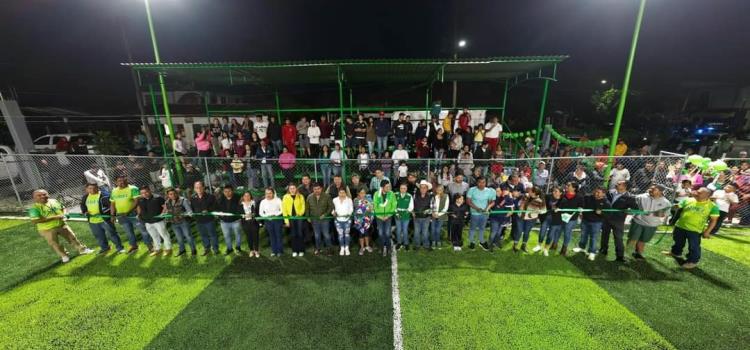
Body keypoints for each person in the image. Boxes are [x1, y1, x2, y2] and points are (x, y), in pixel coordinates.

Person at [29, 189, 94, 262]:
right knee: (55, 244)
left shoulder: (54, 201)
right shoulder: (34, 208)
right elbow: (35, 221)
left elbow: (63, 208)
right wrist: (55, 217)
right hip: (47, 229)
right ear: (34, 198)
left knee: (72, 238)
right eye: (39, 195)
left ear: (48, 194)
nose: (43, 196)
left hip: (61, 225)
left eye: (44, 194)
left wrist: (65, 213)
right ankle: (64, 256)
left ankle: (82, 250)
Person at [662, 187, 720, 269]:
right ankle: (675, 253)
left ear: (707, 195)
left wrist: (707, 231)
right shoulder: (688, 200)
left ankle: (692, 261)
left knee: (693, 246)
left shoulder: (713, 206)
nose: (696, 192)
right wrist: (672, 206)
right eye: (697, 191)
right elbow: (678, 206)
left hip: (695, 230)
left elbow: (713, 220)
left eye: (699, 192)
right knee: (678, 241)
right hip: (680, 226)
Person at [628, 184, 671, 260]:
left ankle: (638, 254)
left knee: (643, 240)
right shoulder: (641, 197)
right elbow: (630, 202)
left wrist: (651, 213)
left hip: (651, 225)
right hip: (638, 221)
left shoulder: (666, 203)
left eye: (654, 189)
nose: (650, 190)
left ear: (660, 192)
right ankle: (626, 253)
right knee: (632, 238)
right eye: (650, 188)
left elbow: (665, 214)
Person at [80, 183, 124, 254]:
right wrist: (85, 212)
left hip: (105, 219)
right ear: (87, 189)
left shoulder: (104, 195)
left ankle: (120, 248)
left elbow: (111, 206)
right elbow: (83, 206)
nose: (92, 190)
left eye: (94, 188)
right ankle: (105, 248)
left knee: (112, 234)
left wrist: (111, 215)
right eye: (90, 188)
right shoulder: (85, 197)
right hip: (92, 221)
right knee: (99, 236)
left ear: (97, 188)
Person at [109, 176, 150, 253]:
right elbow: (112, 204)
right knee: (129, 232)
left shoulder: (133, 188)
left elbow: (136, 201)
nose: (122, 182)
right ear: (116, 182)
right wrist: (112, 215)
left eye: (123, 180)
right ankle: (134, 246)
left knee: (143, 230)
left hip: (133, 214)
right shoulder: (114, 191)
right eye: (119, 181)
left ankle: (150, 246)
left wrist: (129, 211)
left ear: (126, 180)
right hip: (121, 215)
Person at [600, 180, 638, 262]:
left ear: (625, 187)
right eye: (617, 183)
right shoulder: (610, 192)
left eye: (619, 184)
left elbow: (635, 209)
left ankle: (620, 256)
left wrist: (630, 211)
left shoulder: (630, 197)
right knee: (604, 235)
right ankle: (603, 250)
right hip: (606, 218)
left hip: (618, 221)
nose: (616, 184)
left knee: (618, 238)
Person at [573, 187, 610, 261]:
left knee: (593, 237)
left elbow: (608, 214)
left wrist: (601, 213)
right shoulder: (588, 197)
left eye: (598, 192)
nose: (596, 193)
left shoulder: (606, 202)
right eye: (595, 191)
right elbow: (582, 205)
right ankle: (582, 248)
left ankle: (592, 252)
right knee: (583, 235)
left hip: (596, 222)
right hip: (585, 220)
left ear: (603, 194)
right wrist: (581, 211)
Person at [136, 185, 172, 257]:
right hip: (147, 222)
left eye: (146, 192)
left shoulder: (158, 198)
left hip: (158, 221)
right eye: (142, 193)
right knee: (154, 236)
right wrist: (138, 214)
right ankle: (158, 249)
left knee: (164, 234)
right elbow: (139, 207)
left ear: (149, 190)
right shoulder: (140, 199)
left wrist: (162, 213)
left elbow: (165, 207)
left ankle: (168, 248)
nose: (144, 194)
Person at [164, 188, 196, 257]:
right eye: (170, 194)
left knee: (188, 236)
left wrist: (189, 213)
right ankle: (182, 250)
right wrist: (165, 215)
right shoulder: (167, 202)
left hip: (183, 222)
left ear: (177, 193)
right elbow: (168, 211)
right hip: (174, 223)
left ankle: (193, 250)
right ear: (168, 195)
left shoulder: (183, 200)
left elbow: (189, 210)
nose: (173, 195)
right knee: (179, 238)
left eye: (174, 193)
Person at [512, 186, 546, 253]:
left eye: (530, 190)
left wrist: (537, 211)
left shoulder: (539, 201)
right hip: (520, 217)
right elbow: (519, 203)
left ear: (534, 193)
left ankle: (523, 245)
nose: (529, 191)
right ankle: (515, 246)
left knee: (527, 232)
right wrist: (520, 206)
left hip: (531, 219)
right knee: (519, 231)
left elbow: (543, 210)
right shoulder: (526, 195)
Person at [465, 177, 495, 250]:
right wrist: (476, 208)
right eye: (479, 182)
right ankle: (471, 242)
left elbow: (492, 202)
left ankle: (481, 241)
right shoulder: (472, 190)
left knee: (482, 228)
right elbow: (468, 201)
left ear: (486, 183)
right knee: (473, 228)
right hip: (475, 213)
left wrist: (487, 208)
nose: (481, 184)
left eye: (483, 182)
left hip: (485, 213)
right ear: (476, 182)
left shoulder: (489, 191)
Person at [190, 181, 219, 256]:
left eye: (200, 187)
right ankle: (207, 248)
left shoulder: (210, 196)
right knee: (203, 235)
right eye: (196, 187)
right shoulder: (193, 197)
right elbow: (192, 208)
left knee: (212, 234)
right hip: (199, 220)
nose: (198, 189)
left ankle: (215, 249)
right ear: (194, 189)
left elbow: (215, 207)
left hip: (209, 220)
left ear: (203, 187)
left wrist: (208, 210)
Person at [556, 182, 585, 256]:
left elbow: (581, 206)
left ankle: (564, 249)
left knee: (567, 233)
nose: (567, 186)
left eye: (569, 185)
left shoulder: (579, 197)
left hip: (571, 219)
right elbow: (558, 205)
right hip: (560, 217)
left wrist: (580, 209)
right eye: (567, 185)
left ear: (574, 188)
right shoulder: (563, 195)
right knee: (558, 231)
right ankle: (554, 245)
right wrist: (557, 208)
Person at [307, 182, 334, 256]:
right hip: (314, 220)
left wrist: (325, 215)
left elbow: (331, 207)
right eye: (315, 189)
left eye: (318, 189)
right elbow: (307, 208)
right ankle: (318, 249)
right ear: (313, 189)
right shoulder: (309, 197)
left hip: (324, 219)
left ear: (321, 189)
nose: (317, 190)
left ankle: (329, 249)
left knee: (326, 235)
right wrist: (308, 217)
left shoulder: (327, 196)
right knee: (317, 235)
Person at [216, 184, 243, 255]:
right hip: (224, 222)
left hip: (235, 221)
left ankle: (238, 247)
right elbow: (217, 208)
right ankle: (229, 248)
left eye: (229, 191)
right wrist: (219, 214)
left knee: (238, 235)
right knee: (226, 236)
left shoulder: (237, 197)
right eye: (225, 191)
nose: (227, 193)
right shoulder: (221, 198)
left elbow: (241, 208)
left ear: (232, 191)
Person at [282, 183, 306, 257]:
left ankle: (301, 250)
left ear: (296, 189)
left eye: (294, 188)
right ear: (289, 190)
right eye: (291, 188)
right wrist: (286, 221)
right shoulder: (285, 197)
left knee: (300, 233)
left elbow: (303, 207)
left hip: (299, 218)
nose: (292, 190)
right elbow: (284, 209)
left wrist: (300, 214)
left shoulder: (300, 196)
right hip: (290, 218)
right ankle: (295, 250)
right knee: (293, 234)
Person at [373, 181, 397, 256]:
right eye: (387, 187)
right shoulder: (377, 194)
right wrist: (379, 216)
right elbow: (375, 205)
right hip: (379, 217)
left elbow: (394, 205)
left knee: (387, 233)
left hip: (388, 217)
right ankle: (381, 247)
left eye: (389, 186)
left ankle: (388, 247)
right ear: (382, 187)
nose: (389, 188)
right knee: (380, 233)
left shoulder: (391, 194)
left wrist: (388, 215)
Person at [260, 187, 284, 257]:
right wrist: (267, 216)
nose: (268, 195)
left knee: (278, 235)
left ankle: (280, 251)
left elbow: (282, 210)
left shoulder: (278, 200)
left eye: (270, 193)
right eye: (266, 193)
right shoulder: (263, 201)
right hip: (268, 221)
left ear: (273, 193)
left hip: (277, 220)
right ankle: (274, 251)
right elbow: (261, 213)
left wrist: (275, 215)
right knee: (271, 236)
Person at [540, 187, 564, 257]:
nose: (554, 192)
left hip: (556, 221)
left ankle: (546, 249)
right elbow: (541, 197)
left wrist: (559, 209)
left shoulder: (563, 200)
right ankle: (539, 245)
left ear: (560, 193)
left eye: (556, 191)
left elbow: (565, 210)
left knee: (550, 235)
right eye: (553, 191)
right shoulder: (548, 196)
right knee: (542, 232)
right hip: (547, 218)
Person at [489, 186, 514, 250]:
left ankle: (496, 242)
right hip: (494, 218)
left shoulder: (504, 198)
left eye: (499, 191)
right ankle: (490, 244)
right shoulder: (493, 199)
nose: (498, 192)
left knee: (499, 232)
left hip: (502, 218)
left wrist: (510, 197)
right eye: (497, 191)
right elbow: (491, 205)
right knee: (493, 232)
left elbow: (510, 208)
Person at [332, 188, 354, 256]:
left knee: (347, 234)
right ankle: (342, 247)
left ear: (346, 193)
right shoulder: (334, 200)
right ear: (338, 193)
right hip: (338, 220)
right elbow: (332, 208)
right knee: (340, 235)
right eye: (340, 192)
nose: (342, 194)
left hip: (347, 220)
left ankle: (346, 248)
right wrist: (333, 213)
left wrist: (349, 214)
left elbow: (351, 209)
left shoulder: (349, 200)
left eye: (343, 192)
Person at [352, 188, 374, 255]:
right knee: (361, 234)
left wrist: (368, 204)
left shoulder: (368, 199)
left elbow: (371, 208)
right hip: (359, 220)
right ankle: (362, 247)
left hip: (366, 219)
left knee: (367, 233)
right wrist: (362, 202)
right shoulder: (355, 200)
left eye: (364, 193)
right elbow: (356, 208)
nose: (362, 194)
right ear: (358, 193)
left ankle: (367, 246)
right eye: (361, 193)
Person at [412, 180, 433, 250]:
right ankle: (417, 245)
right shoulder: (415, 195)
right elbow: (412, 205)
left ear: (427, 189)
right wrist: (412, 212)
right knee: (416, 232)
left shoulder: (430, 196)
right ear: (419, 188)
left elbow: (433, 207)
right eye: (421, 187)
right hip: (416, 218)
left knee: (425, 232)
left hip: (426, 218)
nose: (423, 189)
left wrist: (428, 211)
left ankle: (426, 245)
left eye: (424, 188)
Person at [240, 191, 261, 258]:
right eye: (245, 196)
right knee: (249, 237)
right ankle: (251, 250)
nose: (247, 197)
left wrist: (254, 214)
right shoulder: (241, 204)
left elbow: (257, 212)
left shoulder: (254, 203)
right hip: (245, 223)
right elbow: (239, 214)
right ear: (243, 197)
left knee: (255, 237)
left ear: (250, 196)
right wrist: (244, 216)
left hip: (254, 222)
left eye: (248, 195)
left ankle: (256, 250)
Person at [394, 183, 414, 251]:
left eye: (404, 188)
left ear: (406, 189)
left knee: (405, 230)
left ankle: (406, 243)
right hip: (397, 215)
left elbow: (411, 207)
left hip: (406, 215)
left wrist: (406, 211)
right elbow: (393, 204)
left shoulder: (409, 196)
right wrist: (396, 212)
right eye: (401, 188)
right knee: (399, 230)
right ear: (399, 188)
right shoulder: (396, 195)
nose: (402, 190)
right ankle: (399, 243)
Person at [430, 184, 450, 249]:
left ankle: (438, 241)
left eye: (440, 190)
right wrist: (433, 213)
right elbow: (431, 205)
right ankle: (433, 241)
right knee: (433, 229)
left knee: (438, 230)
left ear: (443, 190)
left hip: (441, 216)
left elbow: (446, 208)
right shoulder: (433, 196)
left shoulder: (446, 196)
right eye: (437, 190)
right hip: (433, 215)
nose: (439, 191)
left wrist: (438, 214)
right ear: (436, 190)